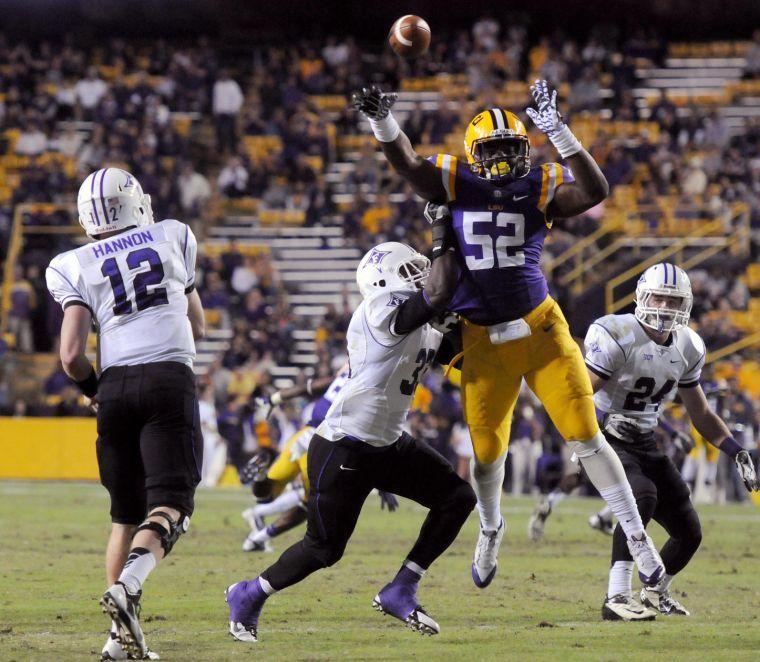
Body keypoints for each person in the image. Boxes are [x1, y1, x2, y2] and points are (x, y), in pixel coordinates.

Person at [352, 78, 663, 591]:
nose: (499, 159)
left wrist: (558, 130)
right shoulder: (451, 180)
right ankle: (492, 526)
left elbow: (596, 191)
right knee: (487, 454)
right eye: (491, 150)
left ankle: (637, 537)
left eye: (509, 148)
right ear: (473, 153)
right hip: (483, 340)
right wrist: (381, 121)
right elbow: (406, 162)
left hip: (543, 332)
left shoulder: (539, 184)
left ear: (524, 149)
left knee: (586, 433)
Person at [225, 238, 477, 642]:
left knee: (458, 498)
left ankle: (401, 588)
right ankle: (248, 594)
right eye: (410, 270)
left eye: (420, 267)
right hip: (345, 444)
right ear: (383, 282)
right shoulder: (377, 310)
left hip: (388, 443)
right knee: (323, 549)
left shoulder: (420, 318)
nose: (421, 274)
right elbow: (438, 295)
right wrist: (445, 235)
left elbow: (462, 345)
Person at [46, 168, 206, 660]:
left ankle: (118, 642)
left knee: (124, 517)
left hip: (113, 389)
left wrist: (97, 392)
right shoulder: (174, 235)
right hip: (167, 378)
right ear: (135, 203)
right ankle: (129, 586)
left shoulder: (69, 263)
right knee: (171, 505)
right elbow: (195, 323)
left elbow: (71, 355)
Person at [580, 263, 759, 621]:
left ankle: (654, 593)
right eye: (659, 297)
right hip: (606, 437)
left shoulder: (689, 346)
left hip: (645, 441)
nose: (664, 306)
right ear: (642, 297)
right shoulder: (616, 333)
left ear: (687, 305)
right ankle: (616, 595)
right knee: (642, 495)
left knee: (688, 532)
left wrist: (735, 449)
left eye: (673, 300)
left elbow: (701, 413)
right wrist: (592, 429)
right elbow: (578, 396)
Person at [239, 366, 398, 553]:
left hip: (303, 436)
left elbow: (309, 387)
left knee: (265, 495)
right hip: (324, 443)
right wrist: (380, 483)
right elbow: (369, 436)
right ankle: (259, 537)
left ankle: (259, 484)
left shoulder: (348, 371)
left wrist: (273, 399)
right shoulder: (373, 385)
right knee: (312, 504)